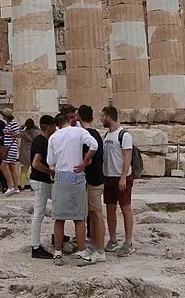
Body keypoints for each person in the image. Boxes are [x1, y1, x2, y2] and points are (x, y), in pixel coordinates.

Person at [45, 108, 97, 266]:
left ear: (58, 125)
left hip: (61, 177)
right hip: (76, 175)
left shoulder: (53, 137)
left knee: (59, 218)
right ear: (69, 120)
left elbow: (50, 162)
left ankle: (58, 253)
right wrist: (85, 162)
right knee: (79, 218)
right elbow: (94, 145)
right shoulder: (78, 132)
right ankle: (81, 253)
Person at [100, 105, 136, 257]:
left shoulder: (124, 135)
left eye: (102, 116)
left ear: (108, 116)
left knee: (126, 209)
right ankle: (113, 239)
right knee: (110, 210)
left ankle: (128, 242)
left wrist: (123, 178)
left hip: (122, 177)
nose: (101, 119)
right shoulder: (106, 136)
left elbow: (127, 157)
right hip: (108, 177)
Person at [77, 105, 107, 259]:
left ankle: (100, 250)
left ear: (78, 117)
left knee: (95, 214)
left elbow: (86, 159)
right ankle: (95, 245)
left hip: (92, 180)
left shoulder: (86, 135)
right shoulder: (95, 133)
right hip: (96, 178)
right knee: (92, 214)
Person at [27, 114, 56, 259]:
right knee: (39, 213)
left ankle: (58, 234)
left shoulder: (43, 140)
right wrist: (50, 171)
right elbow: (36, 163)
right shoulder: (41, 142)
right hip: (40, 180)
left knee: (58, 203)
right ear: (50, 127)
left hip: (45, 181)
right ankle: (35, 246)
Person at [0, 108, 23, 196]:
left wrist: (10, 133)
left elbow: (19, 134)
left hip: (10, 148)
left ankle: (10, 186)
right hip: (9, 146)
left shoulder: (13, 124)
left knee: (3, 166)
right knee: (12, 167)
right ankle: (16, 187)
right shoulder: (8, 124)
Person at [17, 118, 39, 191]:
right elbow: (40, 130)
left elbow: (17, 130)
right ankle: (33, 186)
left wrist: (23, 126)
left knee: (24, 170)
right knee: (34, 170)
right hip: (33, 152)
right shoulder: (36, 132)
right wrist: (35, 126)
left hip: (25, 153)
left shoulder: (23, 133)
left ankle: (22, 185)